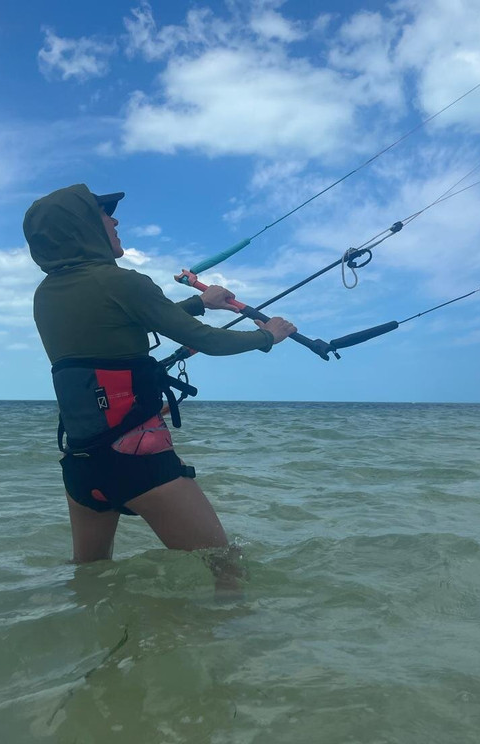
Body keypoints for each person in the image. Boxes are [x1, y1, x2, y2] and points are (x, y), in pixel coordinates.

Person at [24, 183, 296, 571]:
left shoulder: (46, 295)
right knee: (226, 568)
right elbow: (207, 341)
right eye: (104, 214)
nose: (115, 221)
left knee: (89, 576)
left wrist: (200, 302)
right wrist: (268, 336)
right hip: (136, 460)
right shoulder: (121, 281)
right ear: (81, 225)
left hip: (81, 466)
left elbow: (122, 318)